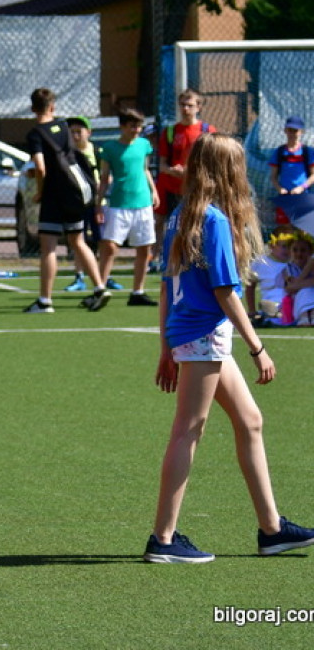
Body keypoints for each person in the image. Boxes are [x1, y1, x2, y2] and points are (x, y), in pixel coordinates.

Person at [145, 132, 314, 564]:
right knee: (189, 429)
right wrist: (258, 346)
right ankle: (163, 539)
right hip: (204, 333)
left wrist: (167, 347)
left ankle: (272, 529)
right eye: (236, 165)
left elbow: (167, 288)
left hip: (193, 334)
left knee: (250, 420)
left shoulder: (184, 215)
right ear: (225, 170)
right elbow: (225, 292)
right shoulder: (214, 220)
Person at [23, 90, 110, 313]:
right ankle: (100, 287)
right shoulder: (63, 127)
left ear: (33, 108)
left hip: (54, 195)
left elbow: (41, 167)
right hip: (75, 191)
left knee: (49, 248)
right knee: (78, 241)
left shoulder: (35, 134)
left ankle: (45, 301)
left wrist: (40, 192)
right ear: (52, 107)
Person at [94, 109, 160, 306]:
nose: (136, 130)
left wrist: (153, 191)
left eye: (139, 126)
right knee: (110, 247)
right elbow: (104, 178)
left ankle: (137, 292)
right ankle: (100, 289)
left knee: (143, 248)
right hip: (119, 204)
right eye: (132, 126)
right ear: (122, 126)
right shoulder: (110, 148)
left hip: (143, 204)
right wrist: (99, 204)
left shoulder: (143, 145)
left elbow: (144, 169)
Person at [152, 89, 216, 273]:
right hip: (171, 185)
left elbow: (211, 162)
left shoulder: (207, 131)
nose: (185, 109)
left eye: (190, 105)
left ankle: (195, 256)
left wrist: (190, 172)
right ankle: (158, 259)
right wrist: (173, 170)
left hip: (195, 187)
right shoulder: (170, 132)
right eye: (182, 105)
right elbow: (162, 163)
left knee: (195, 222)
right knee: (163, 222)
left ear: (199, 107)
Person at [63, 116, 121, 292]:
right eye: (71, 132)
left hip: (98, 203)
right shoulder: (66, 154)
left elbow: (107, 176)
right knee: (79, 240)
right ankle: (79, 277)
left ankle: (105, 275)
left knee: (104, 240)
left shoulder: (97, 152)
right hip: (77, 204)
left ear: (88, 133)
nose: (75, 135)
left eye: (78, 131)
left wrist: (101, 185)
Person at [269, 115, 314, 225]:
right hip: (285, 198)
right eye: (290, 130)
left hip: (303, 197)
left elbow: (313, 176)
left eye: (295, 131)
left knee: (303, 230)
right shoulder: (279, 152)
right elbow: (273, 176)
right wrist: (279, 188)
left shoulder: (307, 152)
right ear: (285, 131)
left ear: (301, 132)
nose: (292, 134)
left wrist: (301, 188)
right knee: (284, 230)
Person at [244, 226, 295, 324]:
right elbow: (250, 286)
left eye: (291, 246)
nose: (287, 250)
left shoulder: (297, 262)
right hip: (272, 302)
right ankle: (272, 314)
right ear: (272, 246)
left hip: (292, 301)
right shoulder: (261, 262)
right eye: (283, 246)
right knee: (269, 307)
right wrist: (252, 310)